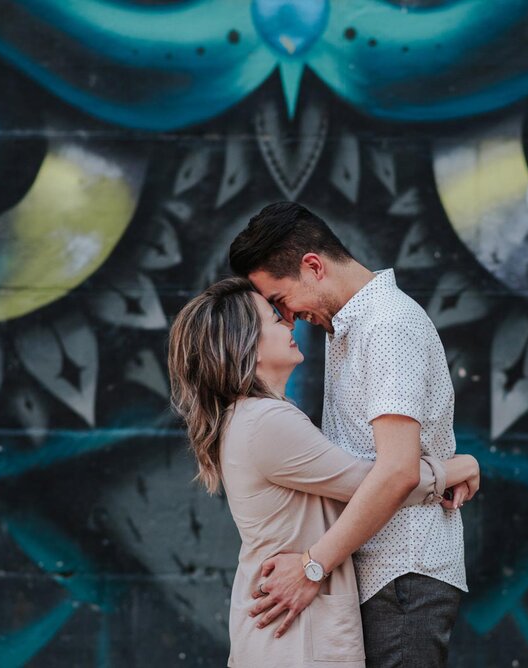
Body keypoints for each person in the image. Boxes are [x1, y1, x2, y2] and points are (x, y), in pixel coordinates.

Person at [167, 277, 480, 667]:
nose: (290, 323)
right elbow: (378, 481)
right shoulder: (266, 421)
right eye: (274, 318)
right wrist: (458, 467)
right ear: (244, 344)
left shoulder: (249, 418)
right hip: (296, 636)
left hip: (288, 630)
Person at [229, 202, 470, 666]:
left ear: (313, 267)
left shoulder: (386, 325)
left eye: (281, 301)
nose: (290, 318)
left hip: (402, 572)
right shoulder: (354, 327)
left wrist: (311, 566)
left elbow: (397, 470)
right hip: (383, 571)